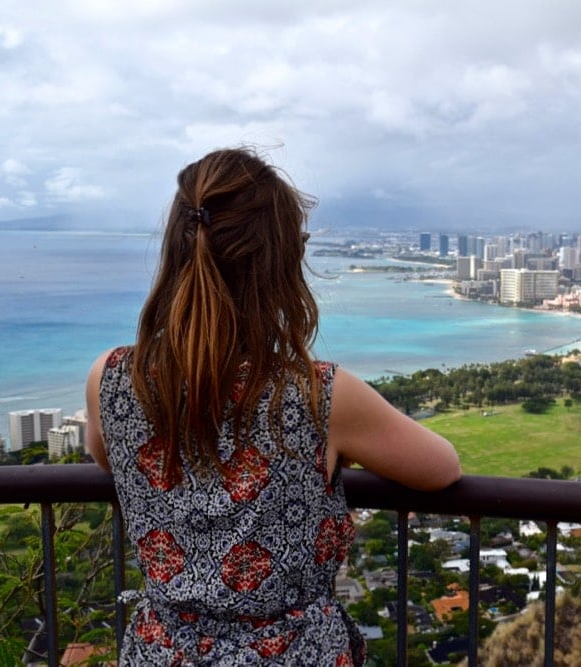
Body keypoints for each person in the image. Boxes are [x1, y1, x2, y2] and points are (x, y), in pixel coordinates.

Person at [85, 147, 461, 666]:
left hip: (161, 651)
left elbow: (108, 458)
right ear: (279, 264)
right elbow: (442, 467)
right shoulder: (317, 395)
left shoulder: (110, 377)